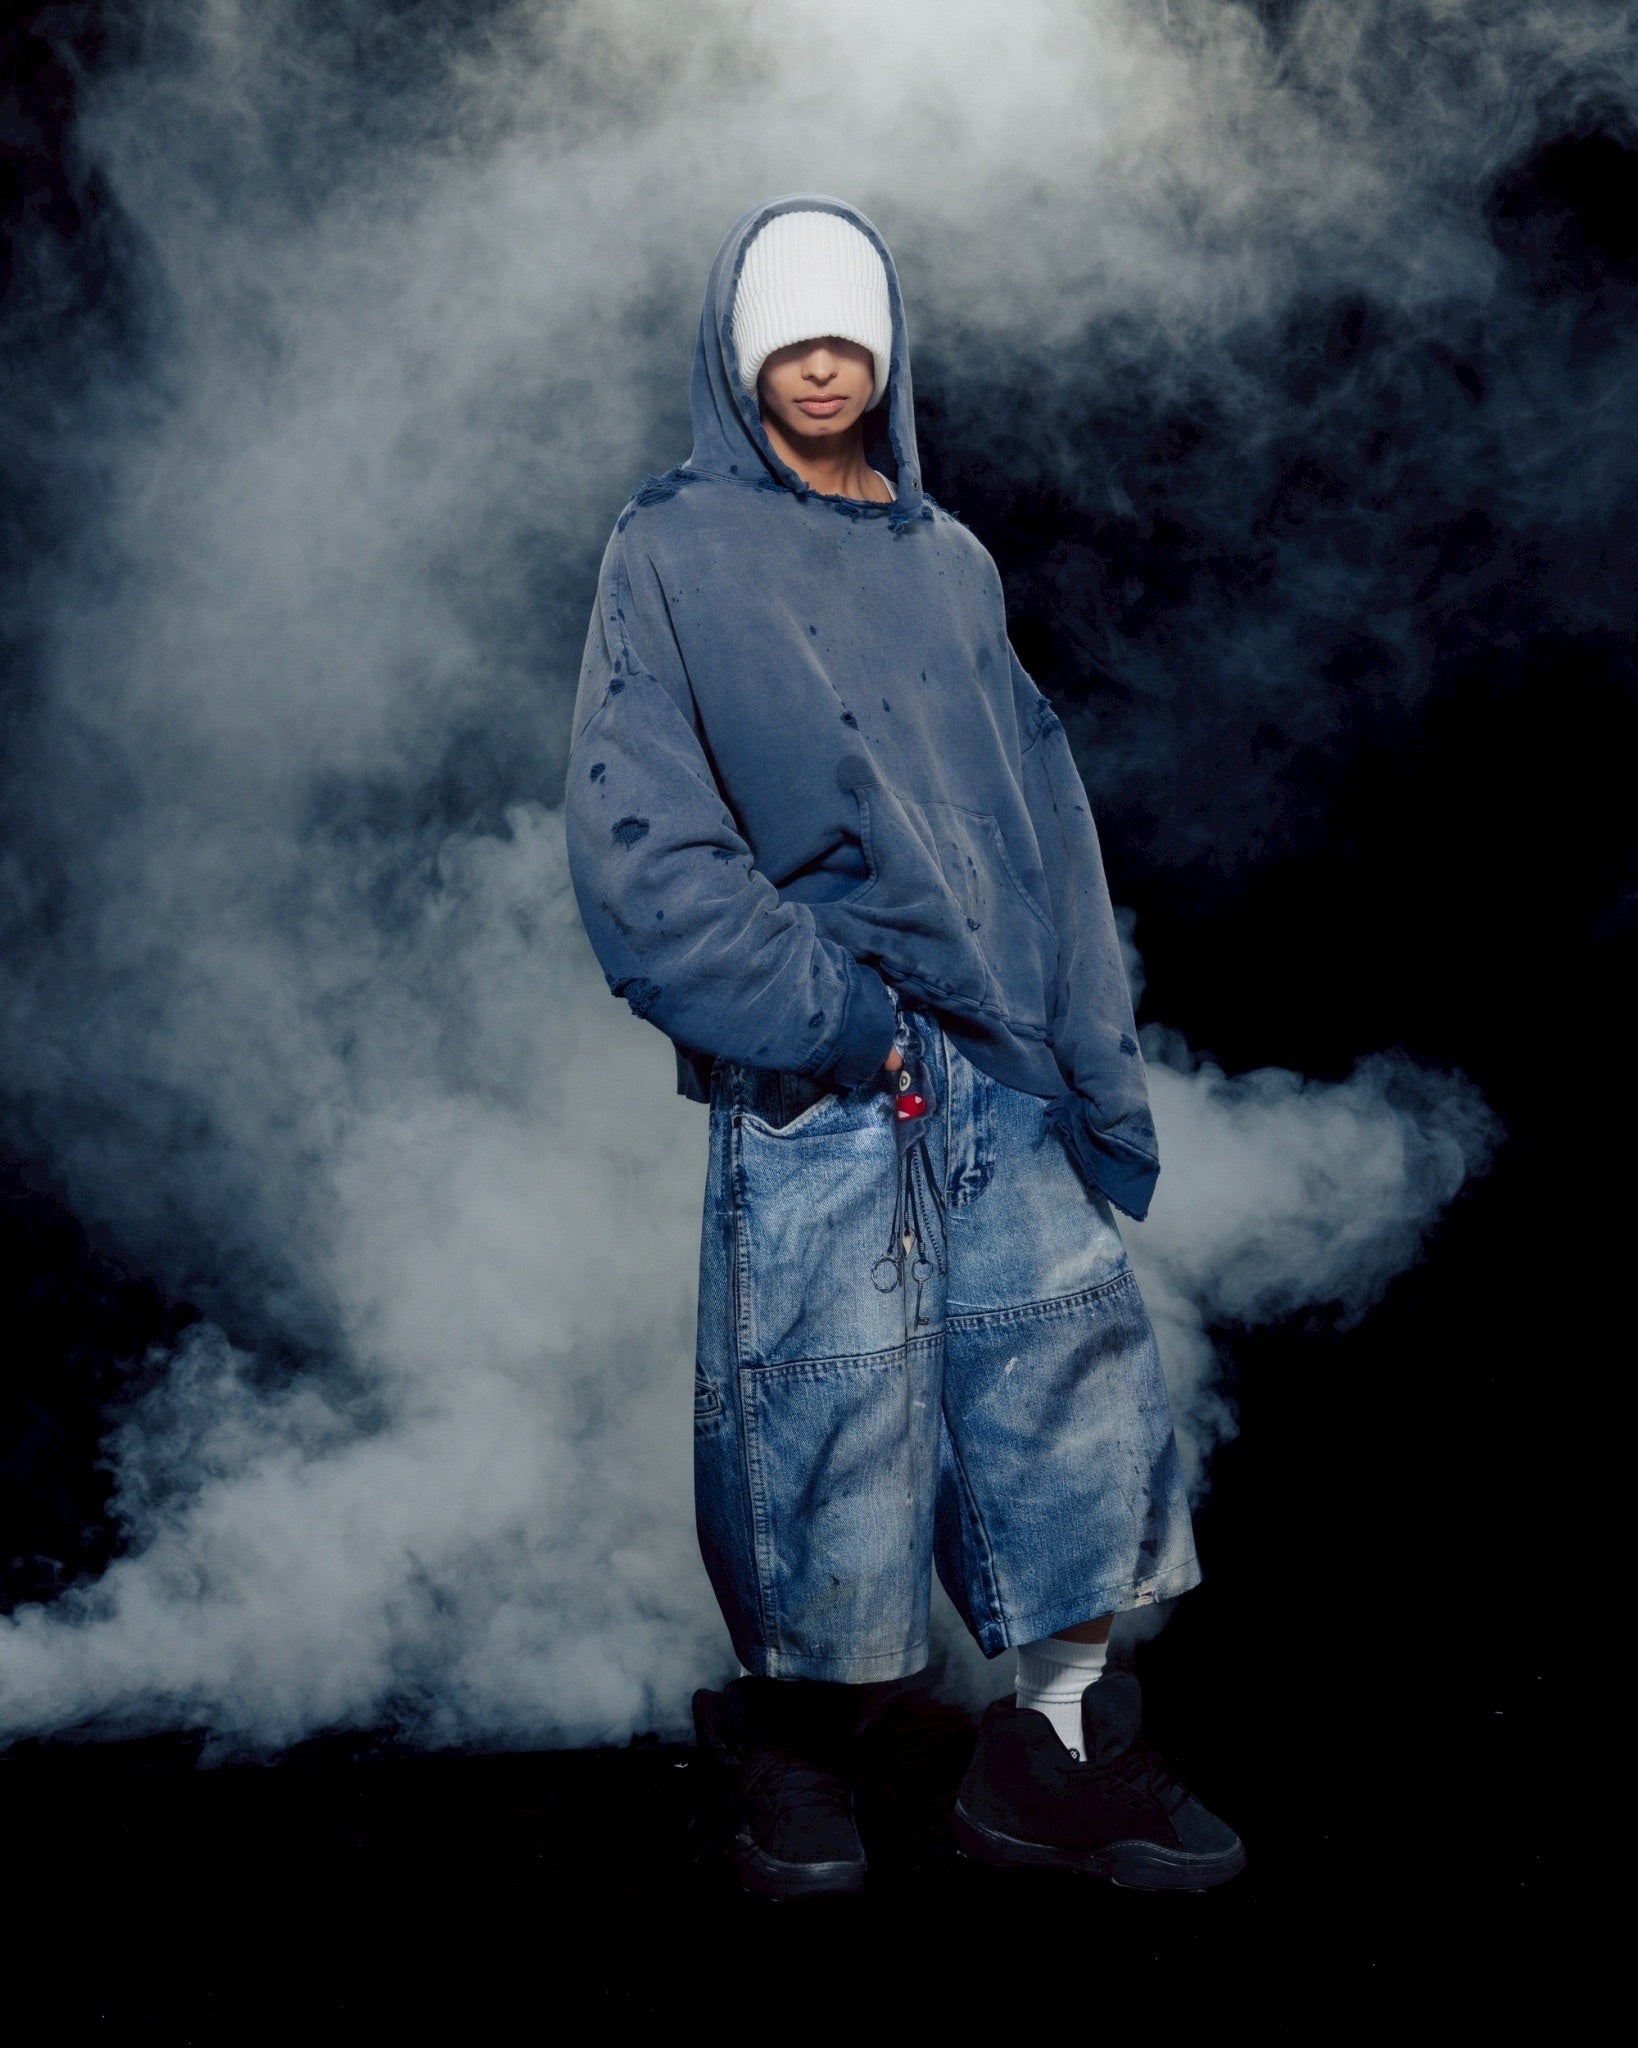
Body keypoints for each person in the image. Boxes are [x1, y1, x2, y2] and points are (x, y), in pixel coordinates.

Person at [565, 196, 1243, 1899]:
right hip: (823, 1069)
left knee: (1068, 1404)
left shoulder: (951, 563)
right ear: (737, 351)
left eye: (846, 333)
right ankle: (790, 1747)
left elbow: (1040, 820)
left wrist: (1079, 1061)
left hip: (998, 1065)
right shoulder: (672, 545)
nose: (818, 364)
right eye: (785, 336)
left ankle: (1053, 1753)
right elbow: (644, 840)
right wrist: (838, 1020)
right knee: (820, 1421)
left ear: (885, 349)